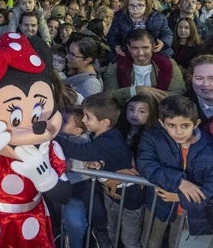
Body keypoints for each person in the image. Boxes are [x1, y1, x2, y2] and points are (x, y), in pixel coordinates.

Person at [57, 92, 144, 248]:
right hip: (113, 197)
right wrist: (99, 165)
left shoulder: (109, 140)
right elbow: (104, 158)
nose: (84, 121)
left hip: (130, 201)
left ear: (104, 122)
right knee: (112, 232)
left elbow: (80, 151)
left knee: (129, 240)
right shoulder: (105, 136)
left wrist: (54, 137)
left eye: (88, 117)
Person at [137, 95, 213, 248]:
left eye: (185, 126)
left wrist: (179, 196)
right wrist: (180, 182)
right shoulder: (152, 138)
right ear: (162, 123)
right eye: (171, 125)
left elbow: (210, 186)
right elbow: (146, 165)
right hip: (158, 207)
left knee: (176, 243)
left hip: (190, 213)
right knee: (150, 242)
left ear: (196, 123)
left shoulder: (208, 146)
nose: (178, 132)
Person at [59, 105, 110, 248]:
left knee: (96, 209)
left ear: (77, 130)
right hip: (67, 186)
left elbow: (90, 156)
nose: (59, 123)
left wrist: (96, 163)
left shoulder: (83, 140)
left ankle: (100, 230)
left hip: (84, 184)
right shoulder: (57, 137)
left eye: (64, 121)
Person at [103, 29, 186, 104]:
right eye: (135, 48)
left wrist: (148, 95)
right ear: (128, 48)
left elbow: (179, 92)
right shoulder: (115, 65)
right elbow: (110, 95)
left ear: (153, 47)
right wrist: (135, 91)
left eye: (145, 48)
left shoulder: (169, 64)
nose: (140, 53)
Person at [184, 54, 213, 137]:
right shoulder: (180, 106)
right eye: (199, 78)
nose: (206, 84)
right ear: (191, 78)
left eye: (212, 78)